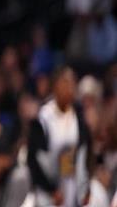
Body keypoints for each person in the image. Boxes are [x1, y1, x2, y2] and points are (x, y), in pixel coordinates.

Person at [27, 66, 91, 207]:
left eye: (72, 83)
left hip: (72, 185)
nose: (70, 88)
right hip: (48, 192)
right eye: (65, 83)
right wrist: (51, 190)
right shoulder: (43, 118)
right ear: (55, 86)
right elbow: (34, 160)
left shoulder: (78, 118)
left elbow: (85, 154)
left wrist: (86, 187)